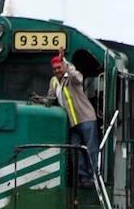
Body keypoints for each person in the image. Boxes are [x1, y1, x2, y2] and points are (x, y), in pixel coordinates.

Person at [43, 48, 100, 188]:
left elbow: (77, 76)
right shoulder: (53, 82)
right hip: (72, 123)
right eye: (54, 68)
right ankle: (83, 178)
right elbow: (50, 97)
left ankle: (95, 178)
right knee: (75, 150)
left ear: (63, 66)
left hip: (86, 118)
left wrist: (64, 61)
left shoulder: (72, 78)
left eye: (59, 67)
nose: (57, 70)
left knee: (91, 149)